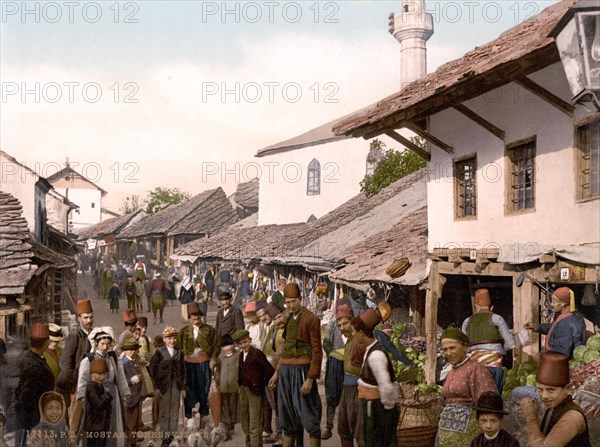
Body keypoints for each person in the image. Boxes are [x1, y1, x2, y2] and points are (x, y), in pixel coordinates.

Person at [268, 282, 323, 447]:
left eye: (294, 301)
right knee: (287, 416)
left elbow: (317, 351)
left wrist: (310, 378)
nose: (291, 305)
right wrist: (277, 373)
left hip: (302, 372)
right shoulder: (289, 318)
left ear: (300, 299)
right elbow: (285, 348)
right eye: (288, 302)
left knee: (308, 414)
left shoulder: (311, 319)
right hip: (286, 372)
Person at [437, 327, 499, 447]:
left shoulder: (476, 369)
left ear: (465, 347)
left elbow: (489, 402)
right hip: (446, 431)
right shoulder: (450, 372)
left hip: (467, 432)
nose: (448, 353)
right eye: (445, 349)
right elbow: (444, 399)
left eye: (452, 348)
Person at [519, 351, 591, 447]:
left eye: (551, 390)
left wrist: (531, 419)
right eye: (540, 389)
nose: (544, 395)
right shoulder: (554, 406)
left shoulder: (573, 417)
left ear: (567, 389)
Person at [350, 309, 398, 447]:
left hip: (377, 408)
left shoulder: (376, 355)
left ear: (361, 333)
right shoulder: (370, 349)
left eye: (354, 332)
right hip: (371, 405)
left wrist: (385, 414)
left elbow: (386, 386)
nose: (353, 335)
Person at [75, 330, 130, 446]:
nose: (105, 347)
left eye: (107, 344)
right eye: (102, 344)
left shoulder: (113, 359)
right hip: (93, 397)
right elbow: (82, 382)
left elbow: (120, 378)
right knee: (96, 426)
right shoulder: (88, 360)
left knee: (112, 423)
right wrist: (83, 399)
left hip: (112, 395)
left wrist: (124, 394)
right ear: (96, 343)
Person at [462, 288, 514, 392]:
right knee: (493, 398)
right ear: (492, 307)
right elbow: (510, 344)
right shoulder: (497, 318)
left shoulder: (467, 321)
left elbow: (463, 347)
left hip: (475, 368)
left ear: (476, 307)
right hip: (494, 367)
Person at [178, 301, 219, 429]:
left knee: (204, 391)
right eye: (193, 316)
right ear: (189, 318)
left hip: (204, 364)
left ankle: (204, 417)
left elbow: (217, 345)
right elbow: (179, 348)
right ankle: (190, 419)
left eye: (198, 315)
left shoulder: (209, 329)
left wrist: (213, 359)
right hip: (189, 365)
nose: (196, 318)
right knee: (189, 391)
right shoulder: (184, 331)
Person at [14, 323, 55, 447]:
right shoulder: (35, 367)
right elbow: (26, 399)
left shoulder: (28, 358)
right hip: (34, 422)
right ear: (47, 342)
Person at [234, 329, 275, 447]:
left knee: (255, 422)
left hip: (255, 392)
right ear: (238, 345)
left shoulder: (257, 353)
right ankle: (249, 444)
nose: (243, 345)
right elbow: (241, 372)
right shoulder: (241, 355)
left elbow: (269, 371)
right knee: (245, 421)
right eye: (240, 344)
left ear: (250, 340)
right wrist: (240, 385)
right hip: (244, 391)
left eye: (245, 342)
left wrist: (261, 384)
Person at [57, 299, 94, 426]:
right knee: (76, 418)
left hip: (92, 383)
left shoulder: (94, 334)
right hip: (77, 385)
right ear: (79, 319)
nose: (89, 320)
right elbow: (65, 364)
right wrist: (76, 382)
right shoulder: (75, 336)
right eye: (85, 318)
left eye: (91, 317)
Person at [525, 286, 587, 359]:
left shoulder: (567, 323)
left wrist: (546, 357)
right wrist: (536, 327)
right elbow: (554, 327)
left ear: (562, 304)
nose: (551, 304)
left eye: (554, 302)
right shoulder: (573, 315)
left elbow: (561, 352)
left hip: (562, 364)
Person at [149, 327, 186, 447]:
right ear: (164, 339)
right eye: (169, 338)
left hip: (176, 385)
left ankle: (172, 435)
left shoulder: (179, 353)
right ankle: (165, 437)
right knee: (164, 412)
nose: (172, 340)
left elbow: (183, 370)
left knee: (174, 411)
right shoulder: (159, 353)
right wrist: (156, 387)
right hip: (163, 386)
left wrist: (183, 387)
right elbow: (152, 370)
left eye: (174, 338)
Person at [336, 306, 366, 447]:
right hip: (346, 390)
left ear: (353, 321)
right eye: (339, 325)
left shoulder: (361, 339)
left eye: (345, 323)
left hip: (359, 390)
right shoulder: (348, 341)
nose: (342, 328)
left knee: (361, 432)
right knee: (344, 429)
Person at [321, 304, 351, 440]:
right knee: (332, 395)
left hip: (349, 364)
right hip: (335, 364)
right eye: (340, 322)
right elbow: (326, 342)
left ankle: (348, 427)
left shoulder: (353, 328)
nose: (342, 325)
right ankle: (328, 427)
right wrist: (332, 355)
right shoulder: (333, 324)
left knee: (349, 395)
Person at [215, 334, 240, 441]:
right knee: (224, 407)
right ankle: (226, 427)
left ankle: (232, 425)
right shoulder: (220, 357)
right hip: (223, 386)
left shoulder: (238, 355)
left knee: (233, 406)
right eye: (225, 346)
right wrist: (217, 381)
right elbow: (218, 371)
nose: (228, 348)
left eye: (230, 345)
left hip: (235, 386)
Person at [121, 338, 145, 447]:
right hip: (128, 398)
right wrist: (133, 379)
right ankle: (129, 443)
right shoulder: (123, 363)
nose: (133, 352)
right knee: (129, 423)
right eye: (130, 349)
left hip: (137, 396)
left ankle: (133, 442)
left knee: (135, 423)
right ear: (125, 350)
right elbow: (121, 382)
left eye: (135, 349)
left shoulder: (135, 360)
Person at [84, 358, 113, 447]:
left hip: (101, 425)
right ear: (91, 374)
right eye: (99, 374)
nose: (102, 377)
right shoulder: (91, 388)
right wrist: (107, 396)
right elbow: (98, 404)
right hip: (94, 426)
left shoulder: (98, 386)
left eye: (104, 374)